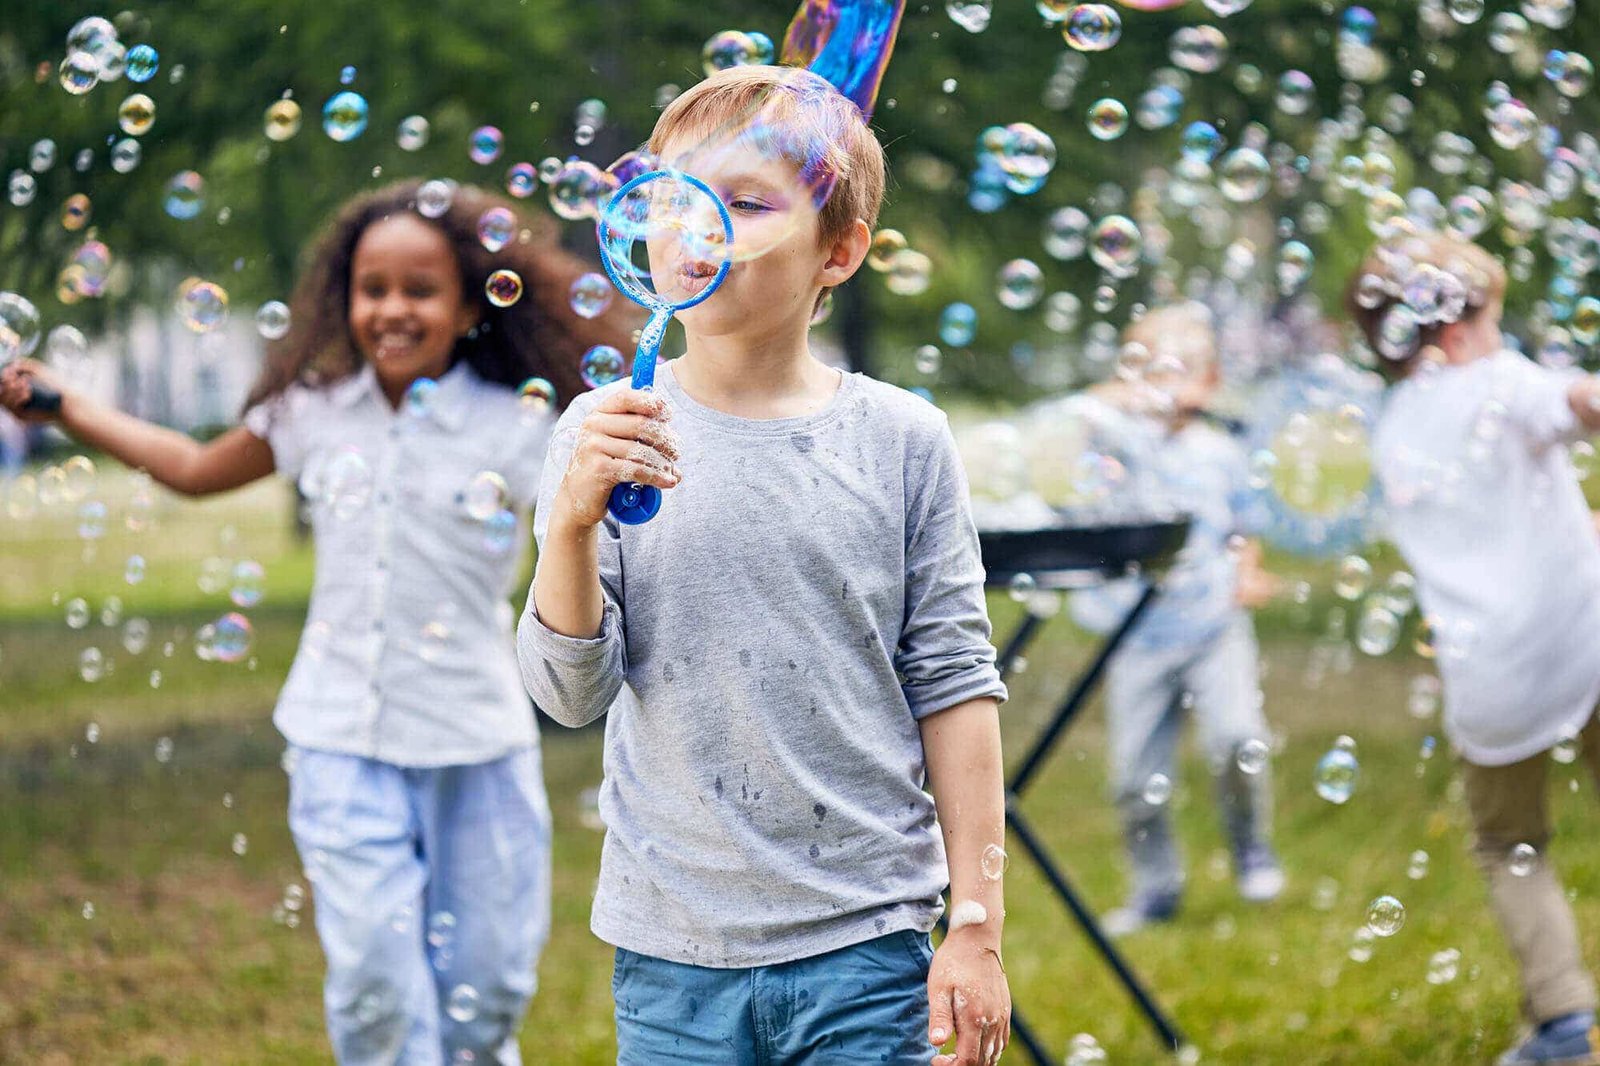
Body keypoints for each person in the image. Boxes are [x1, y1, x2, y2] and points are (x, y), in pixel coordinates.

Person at [1, 179, 631, 1066]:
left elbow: (592, 533)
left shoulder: (524, 425)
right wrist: (67, 405)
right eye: (373, 289)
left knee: (486, 992)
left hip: (478, 743)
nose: (393, 309)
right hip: (340, 741)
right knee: (378, 988)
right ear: (345, 301)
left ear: (468, 306)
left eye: (421, 290)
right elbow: (193, 467)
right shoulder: (311, 412)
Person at [517, 66, 1013, 1066]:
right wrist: (568, 527)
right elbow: (569, 697)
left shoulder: (902, 440)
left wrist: (975, 927)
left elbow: (955, 683)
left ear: (840, 252)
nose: (695, 228)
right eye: (673, 199)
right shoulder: (600, 433)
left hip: (866, 938)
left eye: (743, 203)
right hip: (672, 949)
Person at [1353, 231, 1600, 1066]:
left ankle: (1562, 1021)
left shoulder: (1393, 427)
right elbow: (1576, 402)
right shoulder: (1501, 380)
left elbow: (1486, 521)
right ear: (1457, 335)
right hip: (1584, 634)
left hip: (1490, 671)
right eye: (1494, 322)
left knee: (1509, 845)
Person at [1068, 301, 1285, 937]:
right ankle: (1155, 887)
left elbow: (1241, 528)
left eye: (1186, 371)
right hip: (1137, 635)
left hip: (1213, 624)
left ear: (1210, 381)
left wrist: (1246, 574)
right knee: (1135, 779)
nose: (1171, 386)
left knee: (1238, 741)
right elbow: (1080, 414)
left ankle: (1252, 849)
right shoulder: (1117, 438)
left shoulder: (1221, 450)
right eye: (1156, 370)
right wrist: (1132, 395)